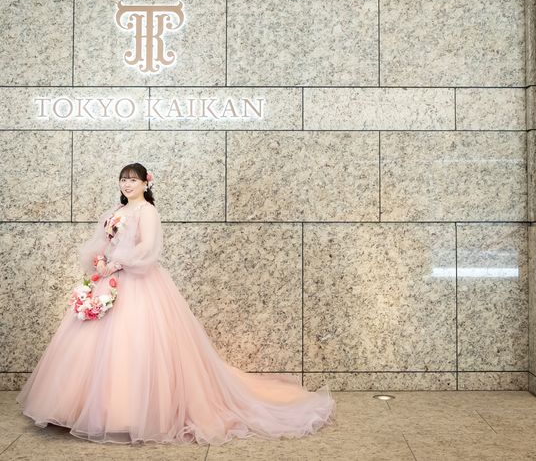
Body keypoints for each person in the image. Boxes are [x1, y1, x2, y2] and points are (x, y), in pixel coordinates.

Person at [15, 162, 336, 445]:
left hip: (138, 282)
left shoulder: (147, 212)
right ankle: (83, 408)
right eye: (123, 179)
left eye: (133, 179)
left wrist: (119, 263)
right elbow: (102, 242)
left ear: (146, 183)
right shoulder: (117, 211)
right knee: (94, 345)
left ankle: (130, 413)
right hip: (109, 280)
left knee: (136, 343)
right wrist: (101, 261)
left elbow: (149, 249)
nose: (127, 184)